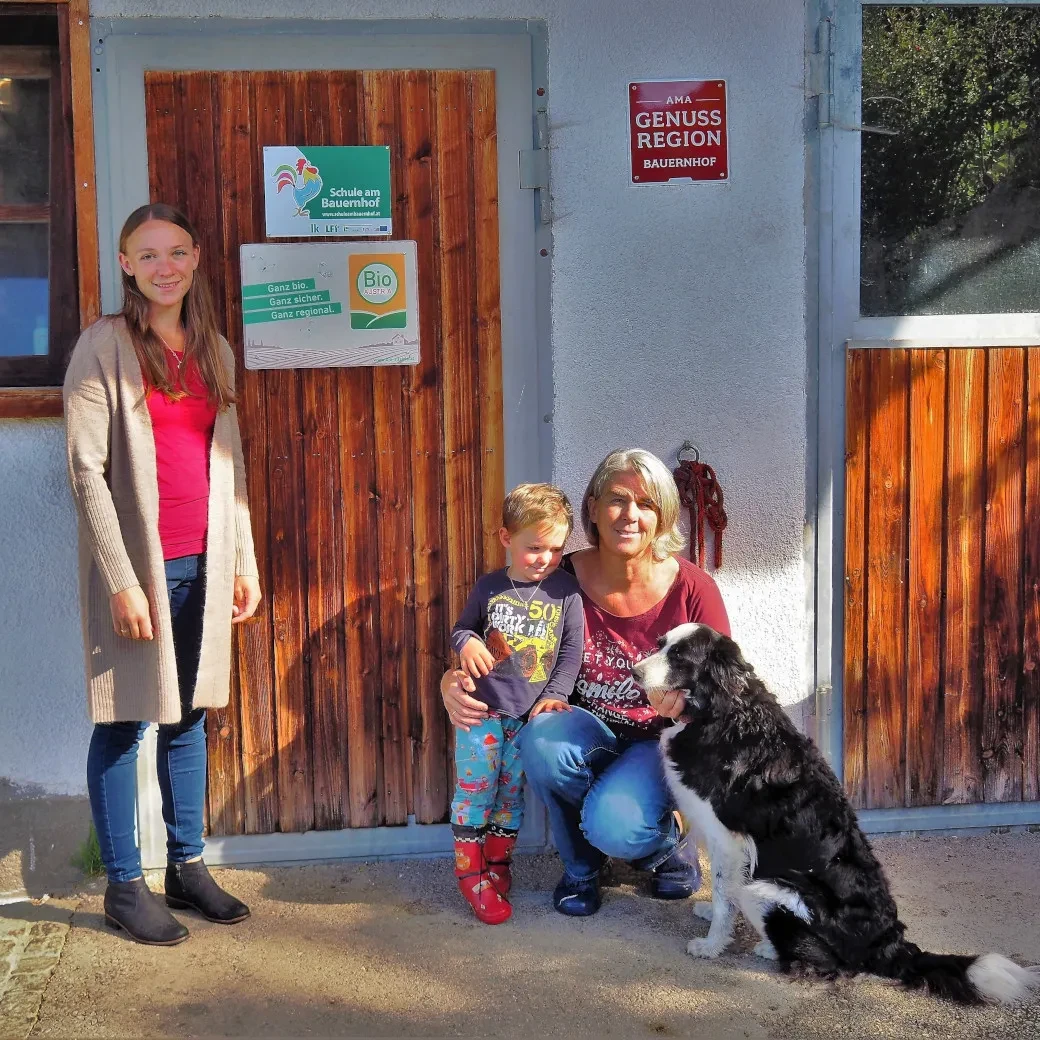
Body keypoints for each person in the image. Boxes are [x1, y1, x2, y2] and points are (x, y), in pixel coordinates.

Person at [63, 203, 261, 946]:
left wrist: (241, 559)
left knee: (189, 718)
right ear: (126, 265)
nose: (164, 267)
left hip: (204, 566)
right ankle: (124, 884)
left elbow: (230, 465)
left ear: (197, 256)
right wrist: (121, 578)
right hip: (140, 572)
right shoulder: (103, 347)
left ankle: (187, 866)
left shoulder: (212, 348)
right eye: (147, 255)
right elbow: (86, 470)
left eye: (176, 251)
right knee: (123, 720)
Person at [441, 449, 730, 917]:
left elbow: (724, 687)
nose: (630, 515)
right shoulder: (558, 574)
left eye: (647, 503)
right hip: (583, 729)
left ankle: (663, 844)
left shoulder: (693, 589)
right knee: (541, 739)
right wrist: (450, 679)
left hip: (655, 742)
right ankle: (582, 867)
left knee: (617, 825)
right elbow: (501, 638)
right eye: (617, 499)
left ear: (665, 514)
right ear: (592, 508)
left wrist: (689, 707)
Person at [447, 483, 584, 924]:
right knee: (476, 790)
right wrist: (466, 643)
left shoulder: (566, 592)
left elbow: (570, 653)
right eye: (534, 547)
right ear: (506, 538)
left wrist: (555, 696)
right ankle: (471, 873)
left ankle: (499, 862)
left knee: (510, 794)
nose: (545, 558)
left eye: (556, 549)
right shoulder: (490, 587)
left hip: (527, 719)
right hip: (480, 713)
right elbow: (462, 628)